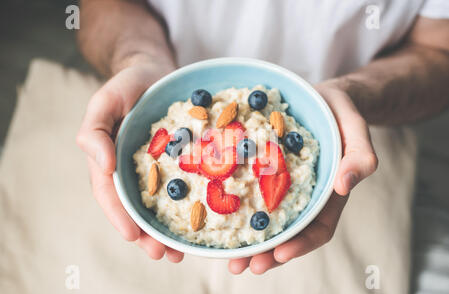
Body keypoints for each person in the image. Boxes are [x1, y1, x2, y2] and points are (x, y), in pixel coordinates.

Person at [76, 0, 449, 275]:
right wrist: (138, 58)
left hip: (354, 134)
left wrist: (355, 94)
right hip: (172, 82)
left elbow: (440, 50)